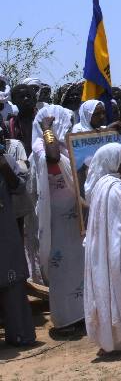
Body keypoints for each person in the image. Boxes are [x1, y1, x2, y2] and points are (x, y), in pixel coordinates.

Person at [82, 143, 121, 354]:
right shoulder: (113, 187)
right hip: (118, 247)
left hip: (105, 249)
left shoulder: (100, 186)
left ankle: (114, 337)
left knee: (108, 288)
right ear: (112, 160)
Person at [27, 104, 85, 330]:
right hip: (55, 219)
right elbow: (52, 157)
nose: (68, 127)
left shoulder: (67, 145)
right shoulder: (41, 146)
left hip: (75, 216)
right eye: (64, 122)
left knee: (78, 264)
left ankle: (81, 314)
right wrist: (47, 129)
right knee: (61, 267)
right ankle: (65, 319)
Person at [0, 126, 35, 347]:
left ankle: (20, 335)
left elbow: (19, 187)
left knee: (12, 283)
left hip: (5, 233)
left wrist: (5, 167)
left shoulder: (6, 161)